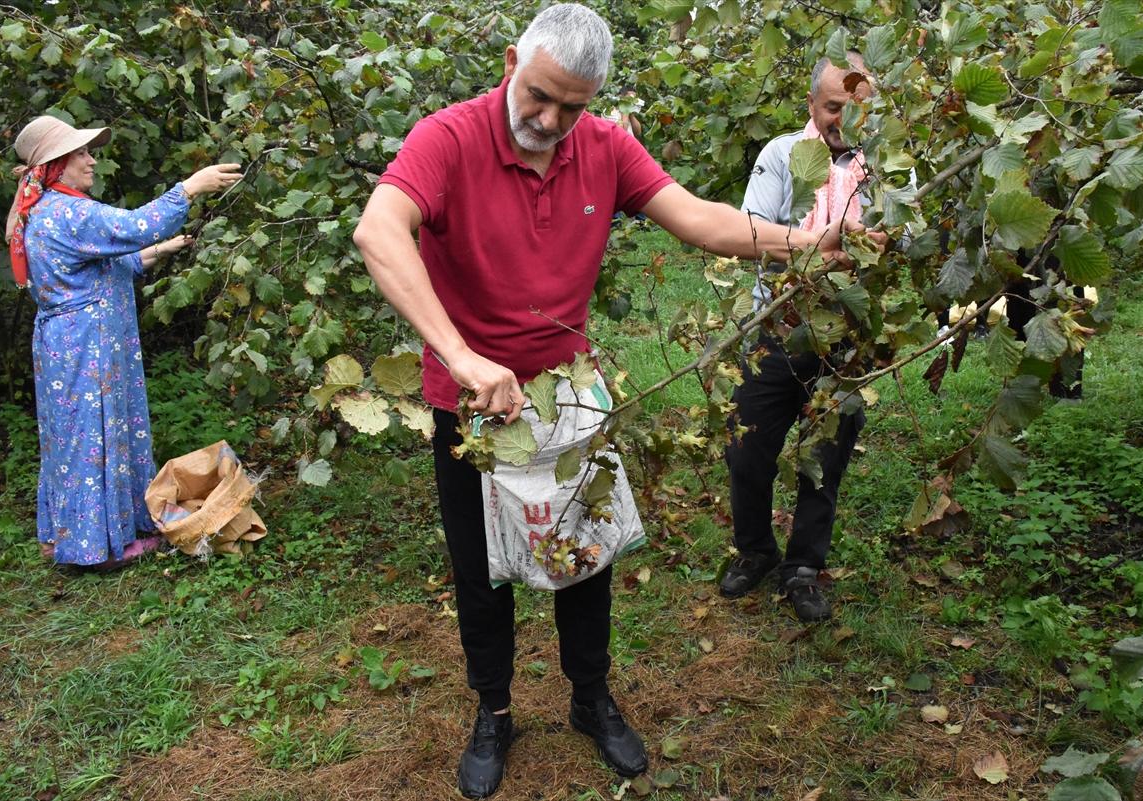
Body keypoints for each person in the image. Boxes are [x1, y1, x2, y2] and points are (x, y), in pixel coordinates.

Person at [353, 6, 868, 797]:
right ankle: (493, 710)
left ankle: (591, 698)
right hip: (472, 406)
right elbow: (379, 231)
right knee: (481, 568)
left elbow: (698, 219)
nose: (551, 120)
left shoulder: (602, 147)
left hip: (569, 397)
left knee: (583, 558)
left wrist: (810, 244)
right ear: (509, 62)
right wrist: (461, 356)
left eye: (573, 107)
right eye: (539, 96)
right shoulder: (446, 139)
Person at [5, 115, 242, 569]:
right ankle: (91, 548)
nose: (91, 160)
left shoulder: (47, 210)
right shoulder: (67, 211)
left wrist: (161, 250)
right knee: (93, 438)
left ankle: (64, 535)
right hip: (85, 349)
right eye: (82, 153)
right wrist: (190, 187)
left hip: (70, 345)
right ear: (57, 164)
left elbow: (101, 266)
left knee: (72, 439)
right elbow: (134, 226)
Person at [718, 53, 876, 622]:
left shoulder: (884, 166)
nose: (844, 120)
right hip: (777, 328)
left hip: (847, 341)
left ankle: (803, 568)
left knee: (826, 455)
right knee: (747, 448)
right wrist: (820, 245)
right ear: (812, 104)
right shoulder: (782, 154)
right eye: (834, 107)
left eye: (856, 109)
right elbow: (750, 232)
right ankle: (754, 550)